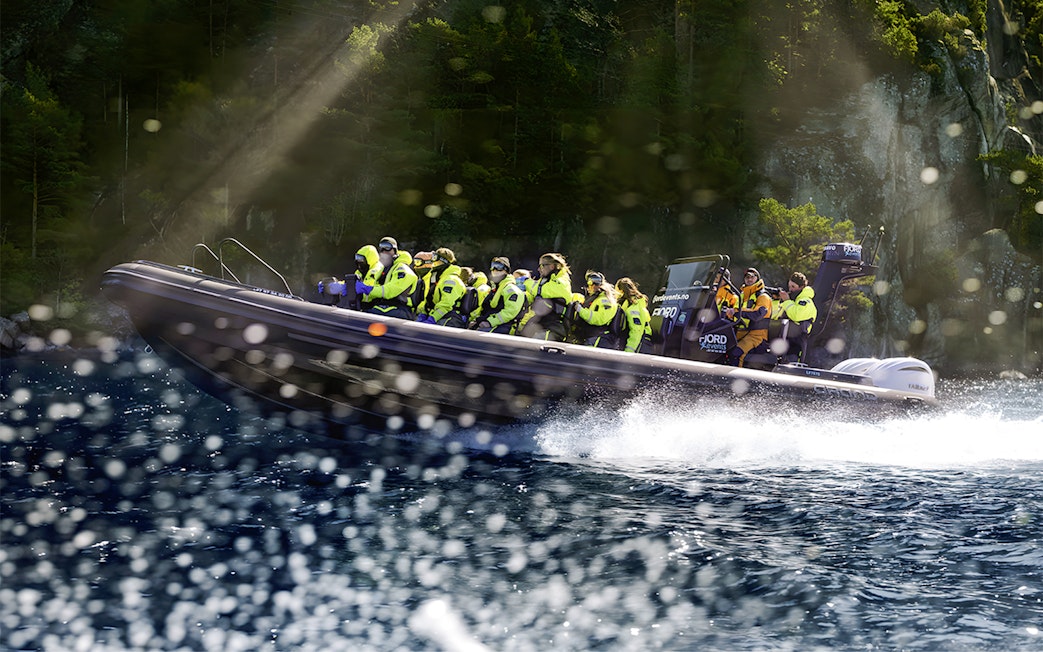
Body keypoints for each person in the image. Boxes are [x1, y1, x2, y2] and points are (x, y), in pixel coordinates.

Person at [355, 236, 418, 320]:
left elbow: (390, 291)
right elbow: (373, 290)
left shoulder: (403, 269)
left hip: (399, 308)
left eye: (387, 247)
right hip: (383, 306)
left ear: (395, 251)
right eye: (381, 248)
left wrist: (367, 289)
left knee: (366, 319)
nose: (384, 251)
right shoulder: (382, 268)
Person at [518, 253, 573, 341]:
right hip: (540, 325)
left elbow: (541, 290)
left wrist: (525, 282)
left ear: (551, 266)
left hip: (553, 328)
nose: (539, 269)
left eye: (541, 265)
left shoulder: (562, 281)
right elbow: (533, 296)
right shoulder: (544, 280)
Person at [725, 267, 772, 367]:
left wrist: (736, 312)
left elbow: (757, 314)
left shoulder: (763, 296)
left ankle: (735, 380)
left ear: (757, 279)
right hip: (742, 332)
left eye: (752, 277)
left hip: (757, 336)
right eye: (747, 277)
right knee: (722, 348)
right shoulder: (742, 295)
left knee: (737, 354)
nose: (749, 279)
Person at [472, 257, 527, 334]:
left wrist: (490, 322)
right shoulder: (496, 288)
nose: (495, 270)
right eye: (493, 266)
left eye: (499, 267)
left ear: (506, 271)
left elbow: (510, 312)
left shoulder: (511, 289)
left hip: (503, 326)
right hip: (490, 323)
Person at [570, 270, 621, 349]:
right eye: (588, 283)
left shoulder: (606, 300)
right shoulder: (592, 299)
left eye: (590, 283)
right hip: (586, 336)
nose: (588, 286)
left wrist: (581, 310)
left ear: (598, 285)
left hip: (597, 338)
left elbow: (600, 319)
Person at [419, 247, 468, 328]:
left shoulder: (451, 280)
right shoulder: (437, 278)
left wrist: (432, 319)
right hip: (436, 315)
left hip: (450, 318)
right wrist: (423, 313)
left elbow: (446, 305)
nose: (432, 262)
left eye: (435, 258)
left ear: (443, 261)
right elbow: (428, 299)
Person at [776, 271, 817, 363]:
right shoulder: (792, 302)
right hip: (784, 340)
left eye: (793, 287)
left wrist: (786, 301)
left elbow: (796, 315)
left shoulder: (806, 302)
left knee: (791, 367)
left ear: (801, 287)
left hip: (796, 344)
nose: (790, 290)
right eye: (789, 286)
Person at [615, 277, 652, 353]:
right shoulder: (629, 305)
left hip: (640, 343)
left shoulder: (633, 307)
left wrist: (629, 350)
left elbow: (636, 331)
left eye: (616, 291)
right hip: (638, 341)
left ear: (621, 291)